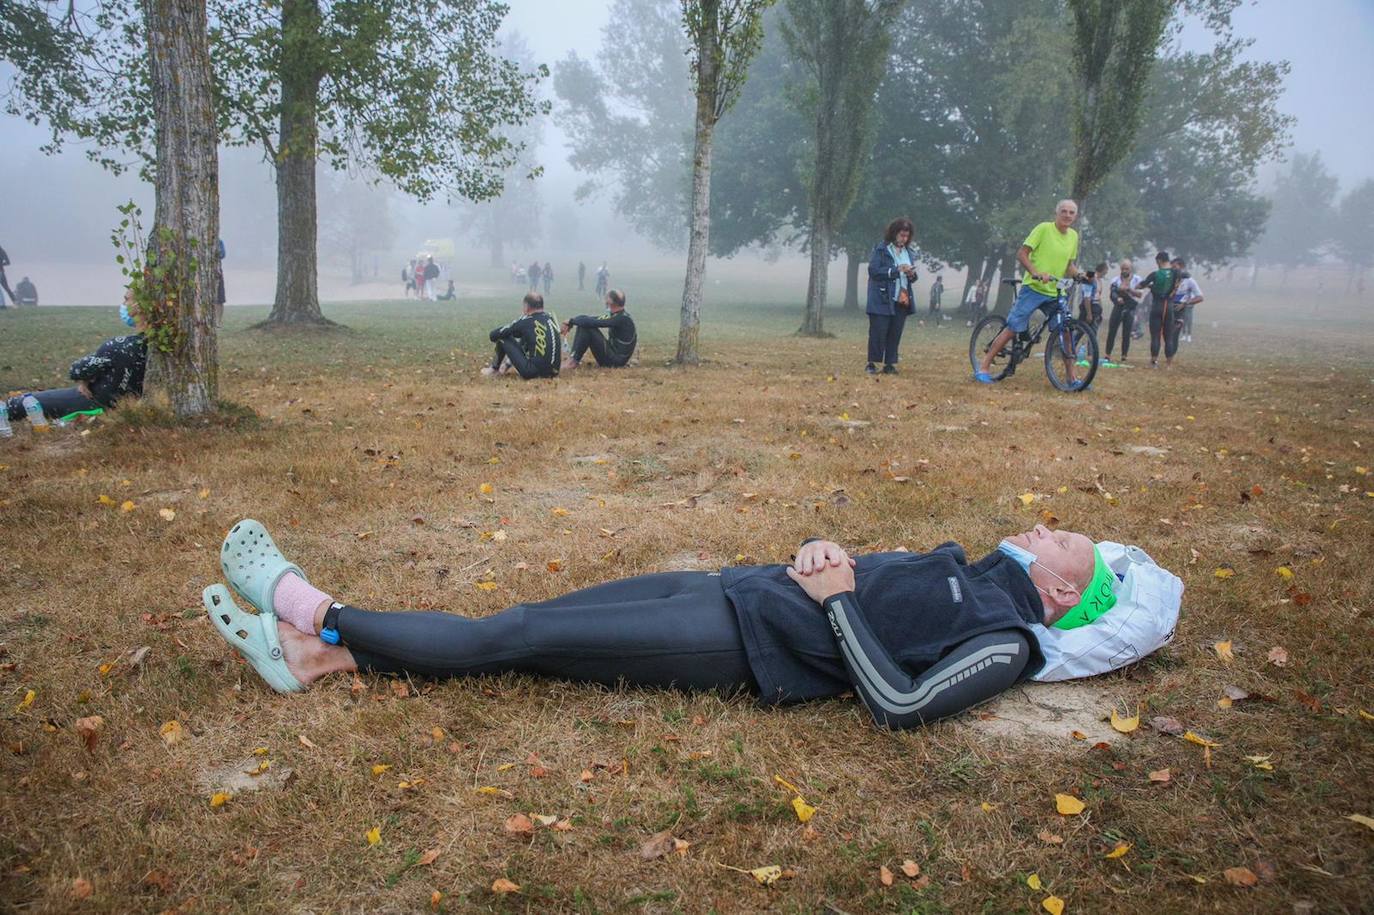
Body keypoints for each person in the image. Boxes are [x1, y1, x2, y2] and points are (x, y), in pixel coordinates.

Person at [203, 520, 1123, 730]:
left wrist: (837, 595)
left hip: (741, 648)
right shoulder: (964, 565)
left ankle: (307, 606)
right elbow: (858, 575)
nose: (1040, 526)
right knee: (523, 621)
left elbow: (903, 702)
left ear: (1057, 592)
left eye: (1061, 540)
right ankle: (316, 661)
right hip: (725, 587)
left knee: (511, 639)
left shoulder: (1013, 639)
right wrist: (819, 552)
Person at [975, 200, 1082, 386]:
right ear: (1056, 213)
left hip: (1055, 291)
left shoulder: (1073, 236)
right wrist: (1035, 272)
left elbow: (1069, 265)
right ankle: (983, 368)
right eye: (1063, 211)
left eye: (1071, 212)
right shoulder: (1043, 229)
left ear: (1075, 216)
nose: (1067, 215)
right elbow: (1022, 253)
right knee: (1013, 327)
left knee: (1065, 330)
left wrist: (1079, 274)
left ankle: (1071, 378)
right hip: (1033, 288)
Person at [4, 290, 147, 425]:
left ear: (138, 306)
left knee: (20, 403)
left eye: (126, 299)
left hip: (91, 401)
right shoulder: (155, 348)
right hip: (122, 403)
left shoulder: (120, 346)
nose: (123, 304)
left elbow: (77, 370)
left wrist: (86, 379)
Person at [866, 217, 919, 375]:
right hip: (882, 298)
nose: (904, 238)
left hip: (901, 299)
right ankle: (872, 363)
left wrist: (911, 274)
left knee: (895, 332)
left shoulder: (909, 253)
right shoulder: (881, 250)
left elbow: (913, 279)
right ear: (894, 233)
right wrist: (896, 271)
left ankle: (890, 364)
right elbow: (874, 271)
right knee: (878, 331)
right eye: (901, 235)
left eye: (907, 235)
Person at [482, 292, 562, 380]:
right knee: (528, 336)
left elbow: (493, 335)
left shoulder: (526, 320)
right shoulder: (550, 318)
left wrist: (516, 327)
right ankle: (506, 365)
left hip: (532, 373)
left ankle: (494, 369)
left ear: (526, 306)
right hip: (554, 372)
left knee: (502, 337)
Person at [562, 288, 637, 370]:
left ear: (610, 302)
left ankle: (573, 362)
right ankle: (573, 359)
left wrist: (571, 321)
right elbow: (588, 319)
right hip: (614, 356)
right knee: (585, 324)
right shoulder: (619, 315)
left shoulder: (622, 319)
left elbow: (591, 322)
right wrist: (571, 321)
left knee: (587, 327)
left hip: (615, 361)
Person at [1135, 251, 1179, 368]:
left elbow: (1141, 285)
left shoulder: (1155, 274)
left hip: (1157, 306)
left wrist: (1148, 286)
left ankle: (1154, 362)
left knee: (1155, 335)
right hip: (1169, 306)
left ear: (1159, 261)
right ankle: (1169, 364)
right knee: (1168, 336)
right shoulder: (1175, 273)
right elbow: (1182, 279)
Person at [1105, 259, 1144, 364]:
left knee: (1126, 333)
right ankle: (1107, 355)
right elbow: (1112, 294)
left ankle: (1124, 356)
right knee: (1112, 331)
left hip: (1130, 307)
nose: (1124, 271)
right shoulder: (1115, 280)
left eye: (1126, 268)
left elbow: (1140, 294)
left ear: (1130, 269)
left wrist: (1128, 289)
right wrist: (1117, 298)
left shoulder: (1137, 279)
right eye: (1122, 268)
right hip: (1118, 306)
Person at [1170, 257, 1204, 344]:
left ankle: (1188, 335)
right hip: (1170, 308)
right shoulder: (1170, 279)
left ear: (1181, 267)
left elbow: (1200, 297)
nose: (1173, 269)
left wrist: (1185, 303)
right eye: (1171, 267)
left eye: (1175, 267)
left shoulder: (1189, 281)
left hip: (1184, 307)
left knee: (1187, 319)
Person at [213, 238, 227, 326]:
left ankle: (218, 321)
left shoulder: (219, 241)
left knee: (220, 298)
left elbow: (223, 254)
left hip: (217, 271)